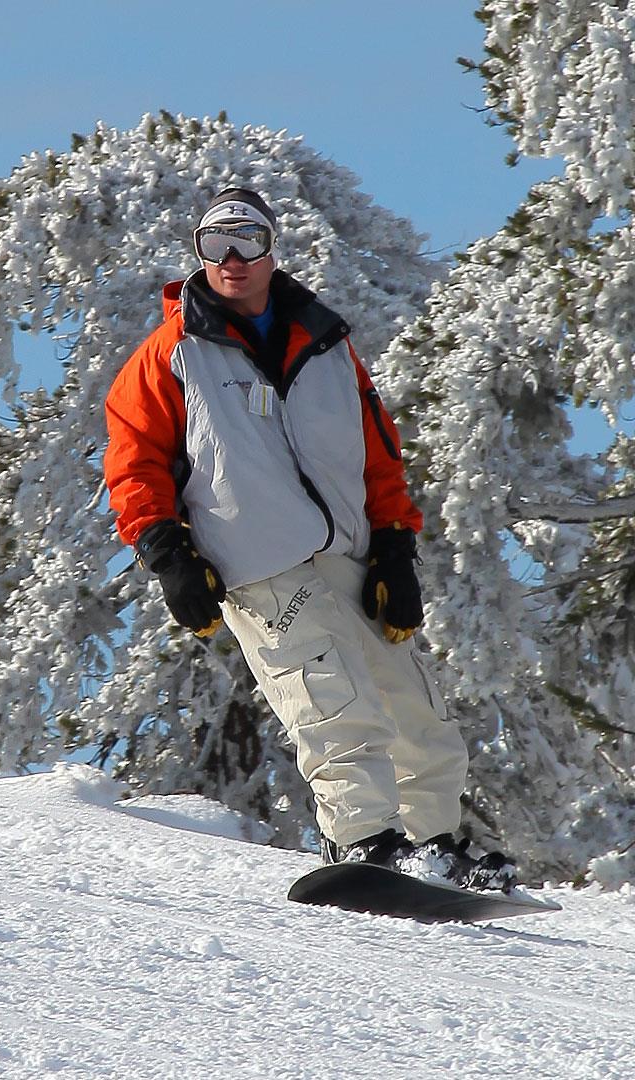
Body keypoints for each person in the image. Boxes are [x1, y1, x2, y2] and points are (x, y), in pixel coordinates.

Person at [102, 186, 515, 892]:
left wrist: (394, 547)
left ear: (272, 249)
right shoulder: (173, 353)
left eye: (248, 242)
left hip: (348, 554)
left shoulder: (326, 342)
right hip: (258, 564)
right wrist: (167, 553)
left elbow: (377, 451)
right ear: (198, 255)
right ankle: (366, 839)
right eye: (214, 245)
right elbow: (133, 459)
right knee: (333, 702)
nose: (231, 260)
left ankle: (433, 843)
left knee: (416, 708)